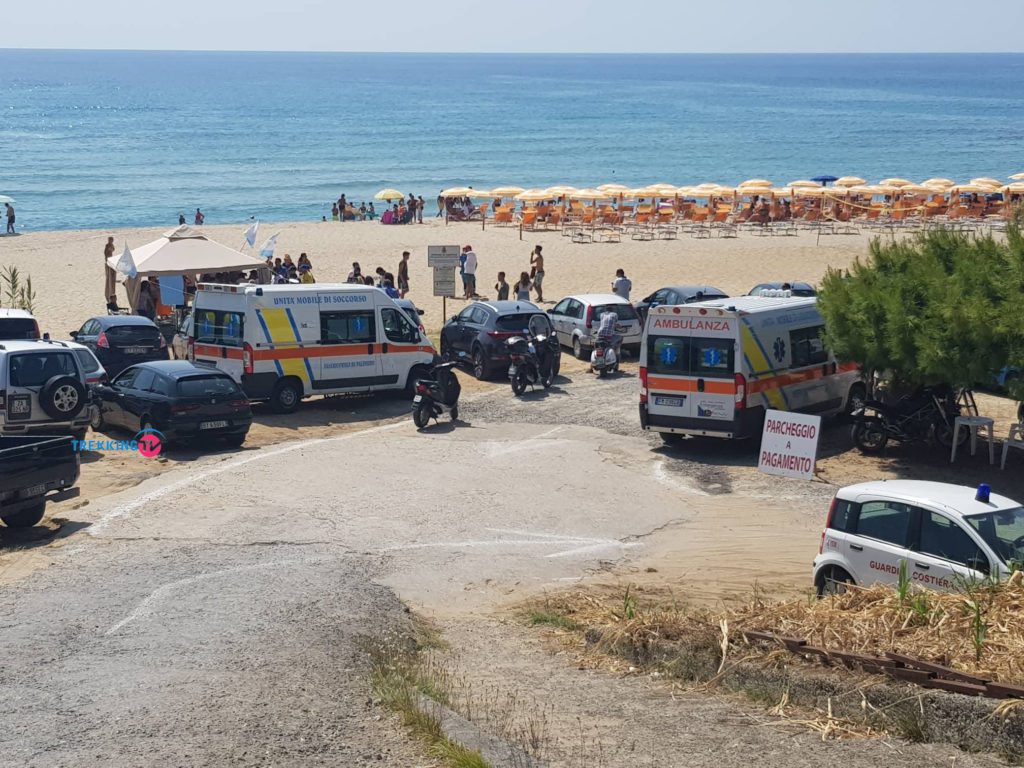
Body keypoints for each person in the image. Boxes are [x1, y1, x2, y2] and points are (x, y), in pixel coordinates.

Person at [103, 236, 117, 302]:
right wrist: (108, 251)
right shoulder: (107, 245)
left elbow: (114, 249)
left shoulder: (112, 245)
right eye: (110, 240)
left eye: (112, 240)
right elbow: (105, 252)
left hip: (111, 256)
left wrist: (112, 249)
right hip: (107, 257)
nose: (111, 241)